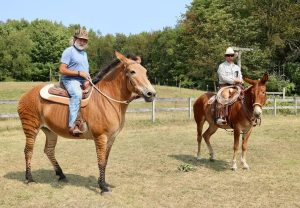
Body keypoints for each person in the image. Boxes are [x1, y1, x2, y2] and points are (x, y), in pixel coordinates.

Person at [59, 28, 90, 136]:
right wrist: (79, 73)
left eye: (85, 40)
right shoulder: (69, 51)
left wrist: (88, 80)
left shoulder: (84, 54)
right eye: (80, 39)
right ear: (75, 39)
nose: (82, 42)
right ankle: (73, 125)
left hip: (83, 80)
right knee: (77, 94)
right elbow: (62, 69)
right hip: (70, 80)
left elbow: (85, 70)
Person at [215, 47, 243, 125]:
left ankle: (247, 116)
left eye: (231, 55)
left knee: (245, 94)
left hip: (236, 86)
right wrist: (235, 80)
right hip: (224, 86)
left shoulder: (237, 67)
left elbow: (240, 77)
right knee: (225, 95)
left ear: (233, 56)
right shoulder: (221, 66)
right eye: (228, 55)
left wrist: (240, 80)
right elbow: (223, 78)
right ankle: (221, 116)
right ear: (225, 56)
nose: (230, 57)